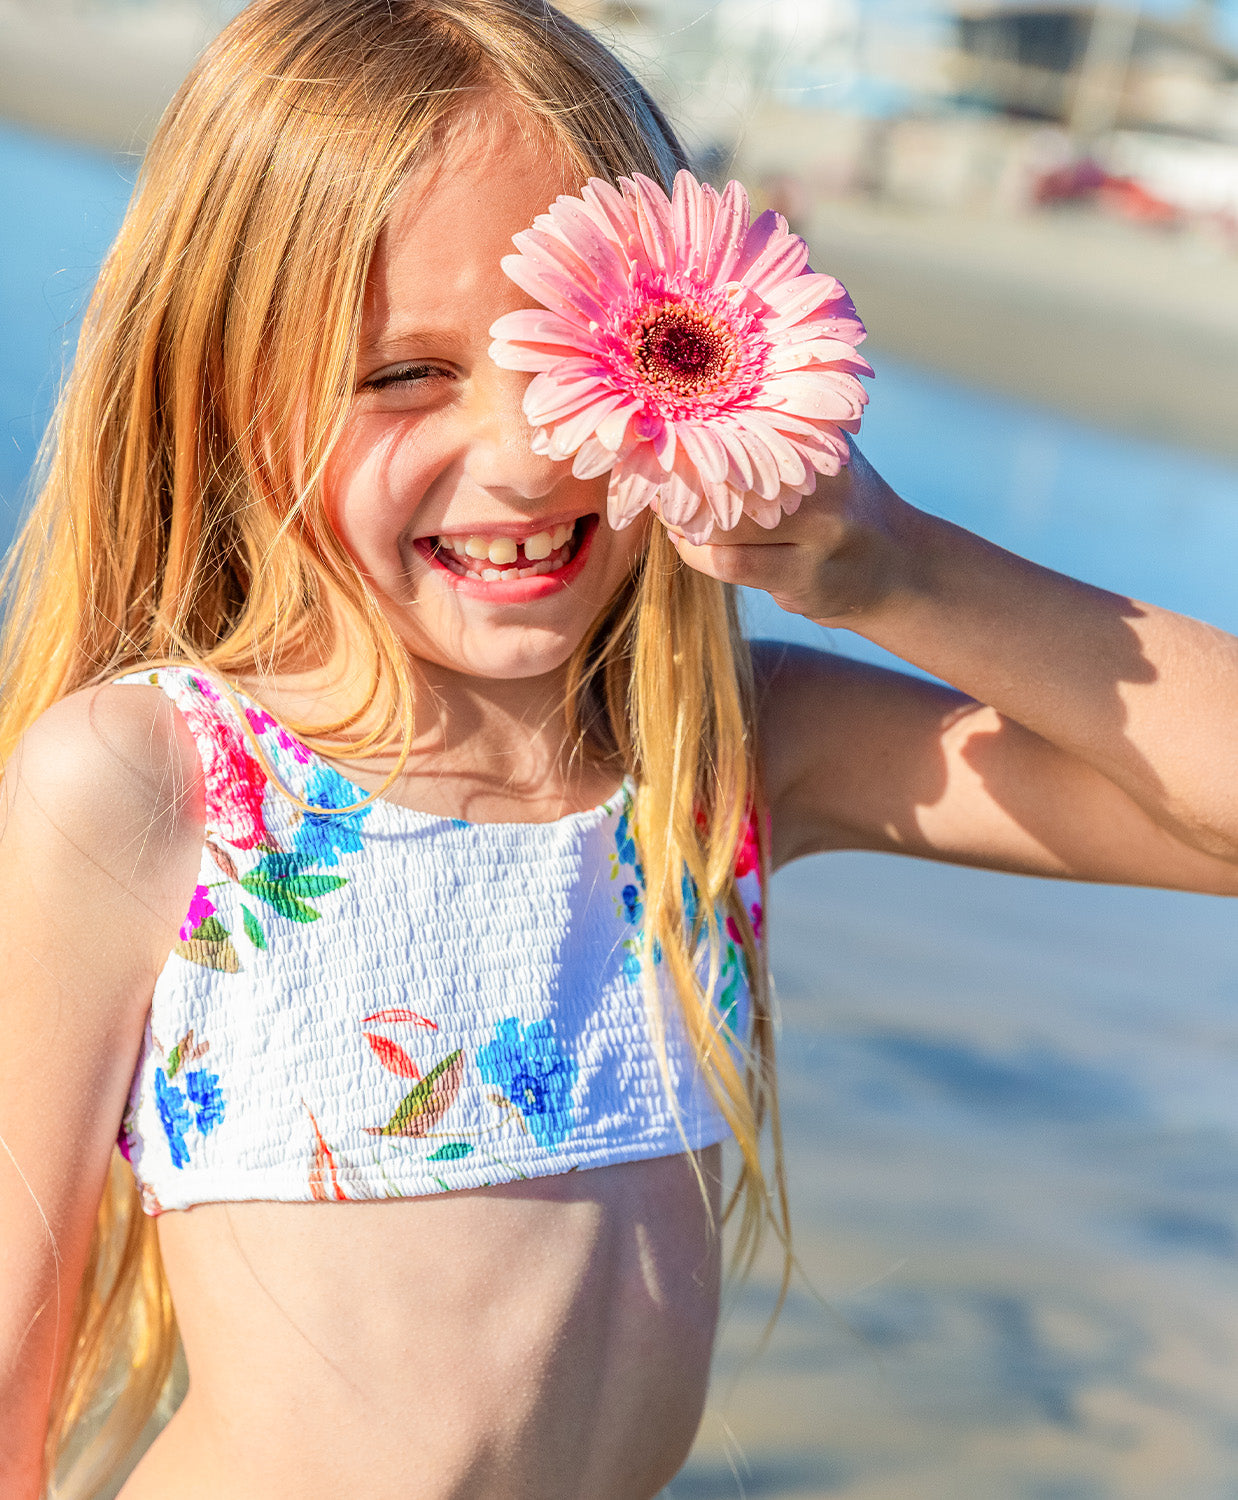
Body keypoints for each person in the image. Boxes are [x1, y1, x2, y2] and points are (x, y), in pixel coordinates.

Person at [3, 2, 1237, 1497]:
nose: (527, 453)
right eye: (402, 373)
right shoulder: (157, 782)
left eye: (574, 364)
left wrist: (901, 570)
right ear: (216, 389)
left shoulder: (719, 751)